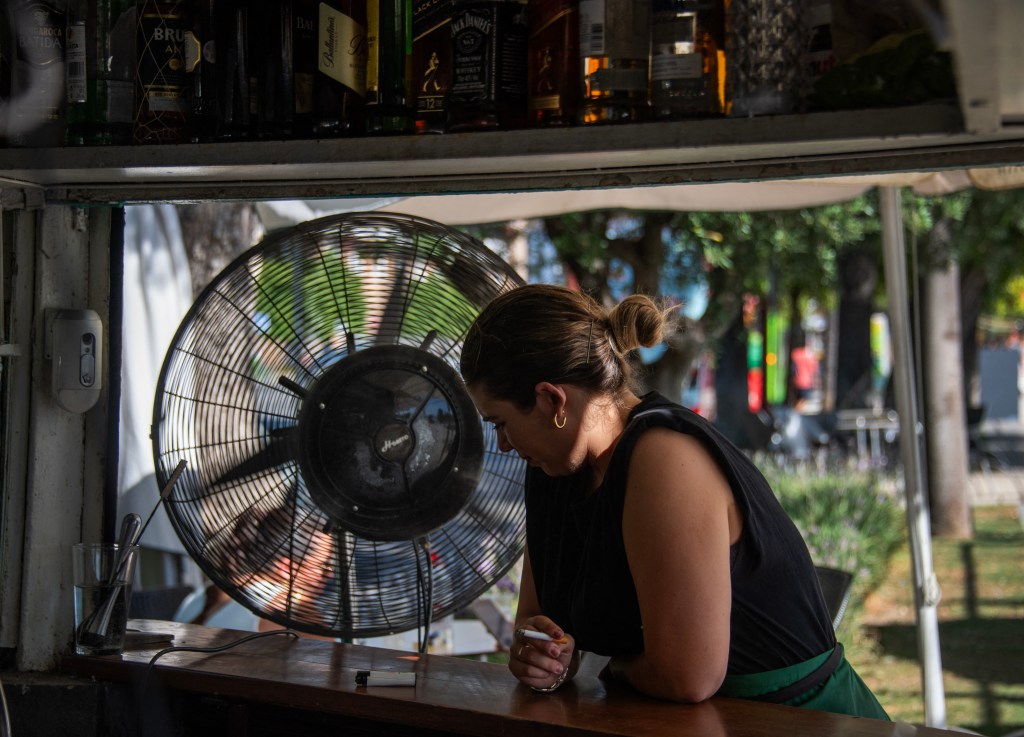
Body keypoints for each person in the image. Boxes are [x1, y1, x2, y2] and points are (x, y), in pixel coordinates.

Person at [458, 284, 888, 719]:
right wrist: (540, 656)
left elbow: (688, 677)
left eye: (501, 423)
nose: (504, 445)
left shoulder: (663, 456)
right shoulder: (552, 470)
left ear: (553, 399)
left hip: (806, 720)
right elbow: (537, 625)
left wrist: (605, 666)